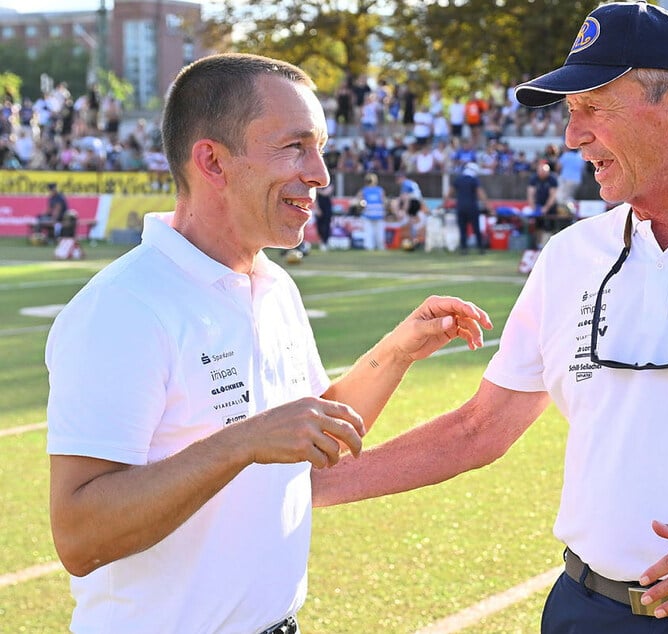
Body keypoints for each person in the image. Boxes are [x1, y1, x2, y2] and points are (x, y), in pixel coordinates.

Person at [311, 4, 668, 633]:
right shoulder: (569, 255)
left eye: (594, 108)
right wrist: (306, 492)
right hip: (587, 611)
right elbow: (480, 429)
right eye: (570, 113)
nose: (572, 136)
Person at [45, 53, 492, 634]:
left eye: (321, 147)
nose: (320, 174)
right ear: (212, 160)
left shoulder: (274, 284)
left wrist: (396, 351)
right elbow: (79, 536)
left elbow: (312, 431)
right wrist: (242, 443)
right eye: (294, 147)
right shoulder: (123, 307)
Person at [444, 161, 489, 254]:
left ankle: (464, 248)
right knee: (476, 228)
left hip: (460, 207)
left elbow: (449, 193)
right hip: (472, 206)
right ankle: (480, 248)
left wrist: (443, 203)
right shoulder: (474, 180)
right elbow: (480, 193)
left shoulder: (458, 179)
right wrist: (488, 206)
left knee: (462, 229)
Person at [527, 159, 559, 247]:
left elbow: (552, 196)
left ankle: (548, 245)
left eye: (544, 172)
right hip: (538, 205)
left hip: (550, 206)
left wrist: (546, 208)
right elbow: (530, 193)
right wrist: (532, 206)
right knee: (538, 226)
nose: (542, 174)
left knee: (550, 227)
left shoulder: (552, 179)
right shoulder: (534, 178)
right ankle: (539, 244)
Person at [354, 172, 388, 250]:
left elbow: (360, 201)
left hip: (368, 213)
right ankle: (380, 246)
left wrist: (361, 206)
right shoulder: (380, 190)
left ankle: (369, 247)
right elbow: (384, 201)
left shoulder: (363, 190)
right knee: (379, 232)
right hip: (379, 213)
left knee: (368, 232)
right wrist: (384, 210)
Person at [395, 171, 428, 248]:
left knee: (411, 222)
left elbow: (405, 198)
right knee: (415, 222)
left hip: (414, 202)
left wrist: (403, 211)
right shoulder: (411, 183)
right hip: (418, 203)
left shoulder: (405, 184)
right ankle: (416, 240)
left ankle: (414, 241)